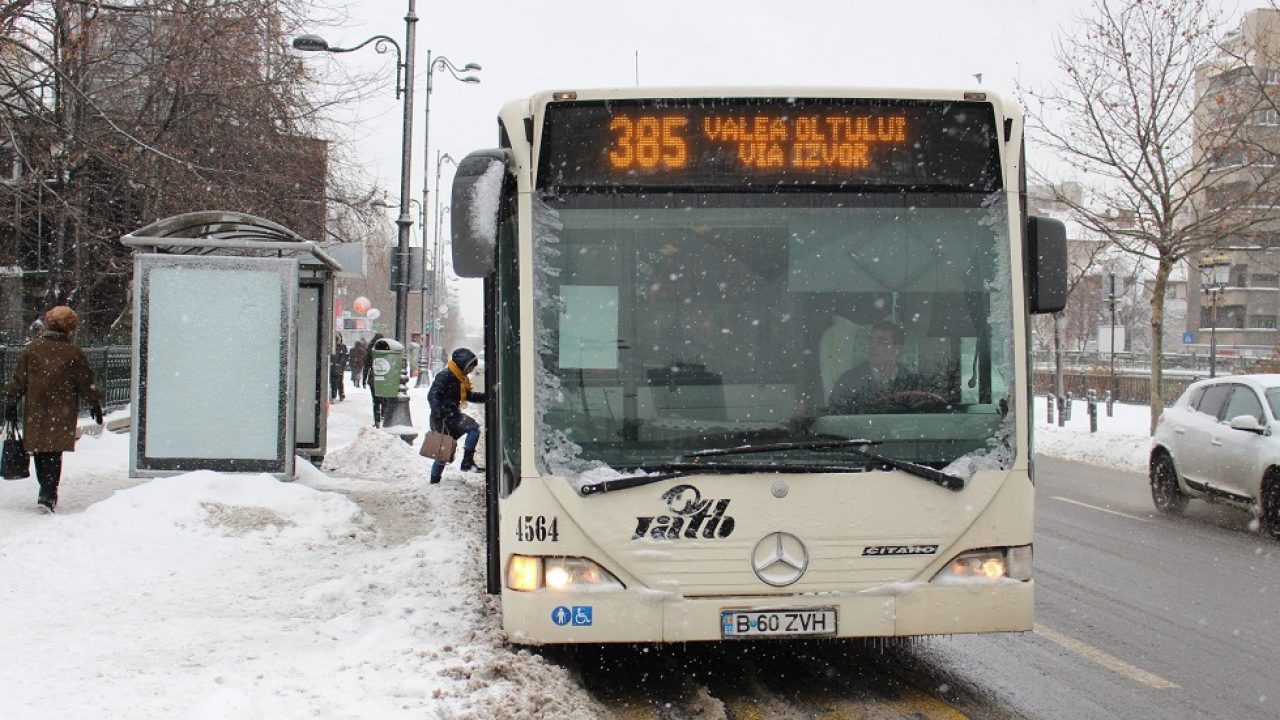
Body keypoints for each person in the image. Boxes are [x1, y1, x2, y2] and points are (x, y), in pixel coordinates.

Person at [4, 306, 104, 513]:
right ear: (70, 328)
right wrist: (94, 402)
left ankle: (46, 490)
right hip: (62, 409)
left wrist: (11, 402)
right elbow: (85, 382)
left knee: (41, 449)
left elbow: (19, 380)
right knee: (54, 451)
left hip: (36, 408)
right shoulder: (73, 353)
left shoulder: (32, 349)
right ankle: (48, 493)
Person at [828, 321, 943, 414]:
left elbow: (922, 416)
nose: (873, 346)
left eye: (882, 341)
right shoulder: (849, 380)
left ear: (897, 350)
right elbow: (837, 414)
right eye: (870, 340)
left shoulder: (914, 383)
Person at [426, 347, 486, 484]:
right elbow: (433, 395)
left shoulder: (460, 377)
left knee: (444, 450)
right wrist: (437, 411)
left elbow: (469, 395)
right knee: (446, 449)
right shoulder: (445, 375)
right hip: (443, 417)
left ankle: (435, 480)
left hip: (451, 415)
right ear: (463, 364)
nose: (471, 370)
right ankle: (464, 463)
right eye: (470, 367)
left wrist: (486, 397)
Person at [364, 333, 385, 426]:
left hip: (374, 378)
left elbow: (366, 366)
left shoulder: (370, 350)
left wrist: (364, 379)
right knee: (385, 400)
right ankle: (384, 418)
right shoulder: (385, 349)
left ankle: (377, 421)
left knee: (375, 401)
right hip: (385, 378)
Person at [329, 333, 348, 402]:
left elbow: (344, 357)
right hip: (334, 367)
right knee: (335, 381)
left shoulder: (342, 347)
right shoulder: (332, 346)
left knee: (338, 381)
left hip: (338, 367)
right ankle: (335, 395)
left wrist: (339, 364)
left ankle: (339, 394)